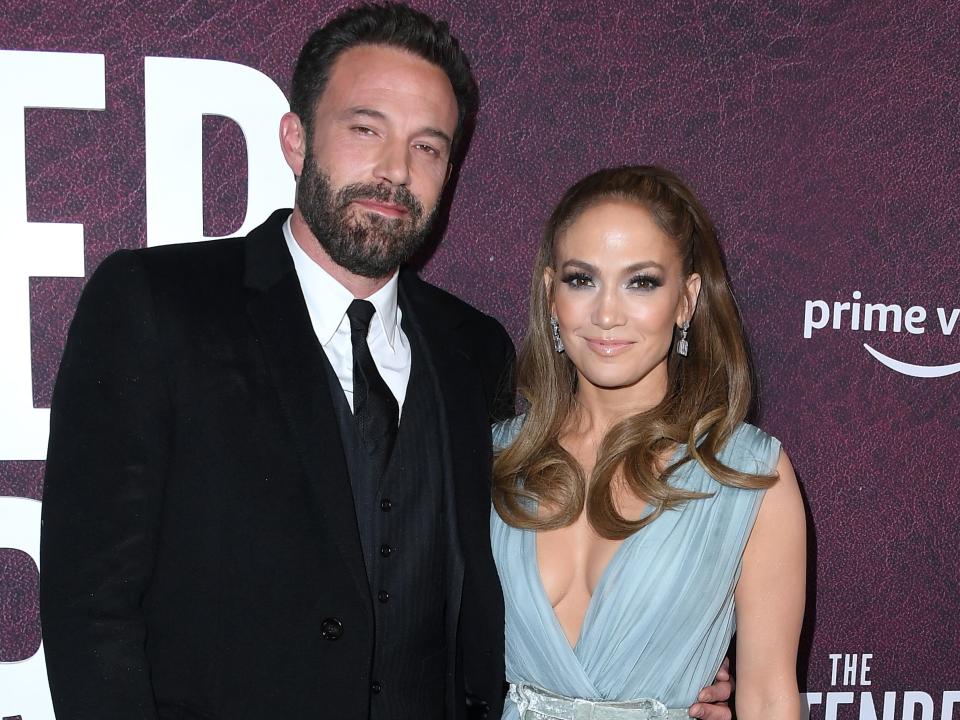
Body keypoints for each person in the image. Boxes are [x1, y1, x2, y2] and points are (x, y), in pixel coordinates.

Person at [39, 3, 737, 719]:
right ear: (295, 138)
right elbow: (89, 605)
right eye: (365, 129)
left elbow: (519, 581)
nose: (395, 171)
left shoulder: (475, 348)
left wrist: (664, 668)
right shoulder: (158, 306)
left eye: (427, 147)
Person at [490, 166, 806, 720]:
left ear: (686, 300)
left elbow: (767, 697)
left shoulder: (748, 475)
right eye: (581, 279)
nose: (608, 314)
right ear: (549, 295)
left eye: (642, 282)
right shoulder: (493, 459)